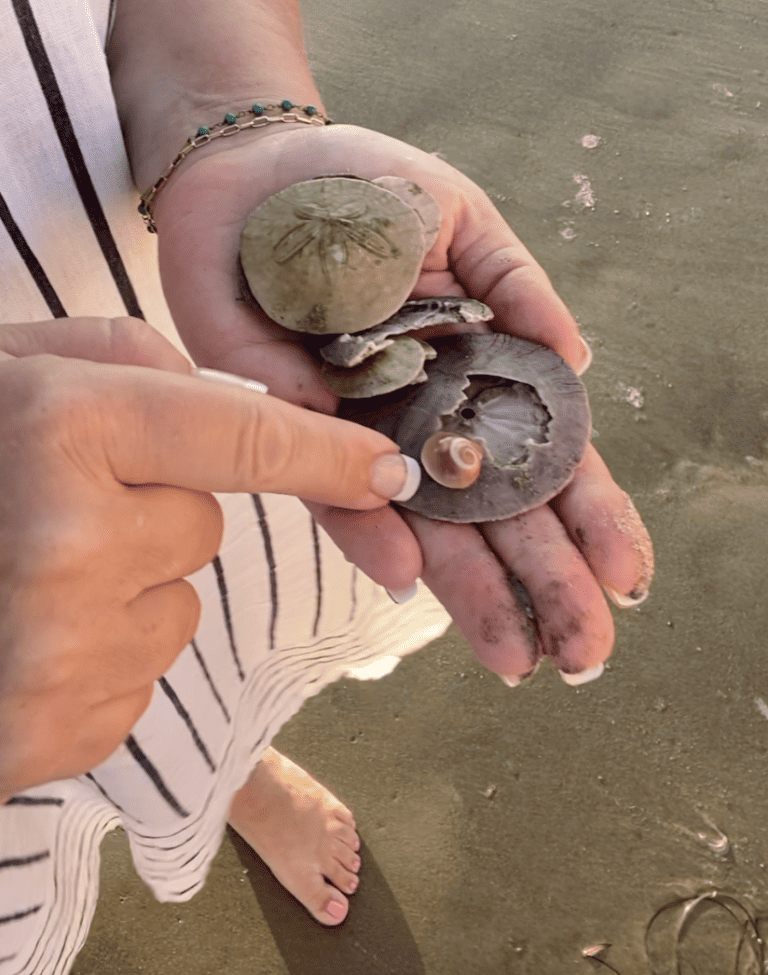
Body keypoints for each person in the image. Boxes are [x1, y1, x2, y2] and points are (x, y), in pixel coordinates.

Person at [0, 0, 654, 971]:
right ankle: (196, 769)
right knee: (83, 661)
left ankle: (227, 767)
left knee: (199, 619)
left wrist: (226, 109)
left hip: (195, 311)